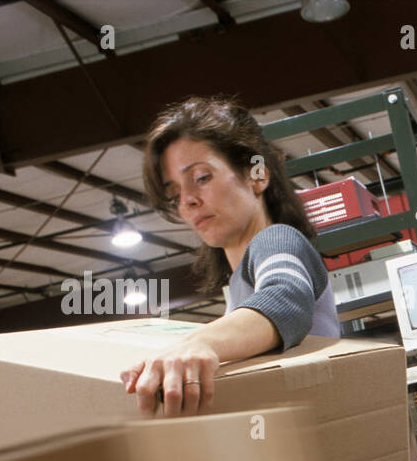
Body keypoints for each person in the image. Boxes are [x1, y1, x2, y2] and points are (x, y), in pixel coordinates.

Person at [121, 96, 340, 416]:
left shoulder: (277, 240)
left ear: (257, 175)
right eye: (175, 194)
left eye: (201, 178)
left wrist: (200, 343)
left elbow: (286, 298)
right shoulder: (240, 287)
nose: (188, 201)